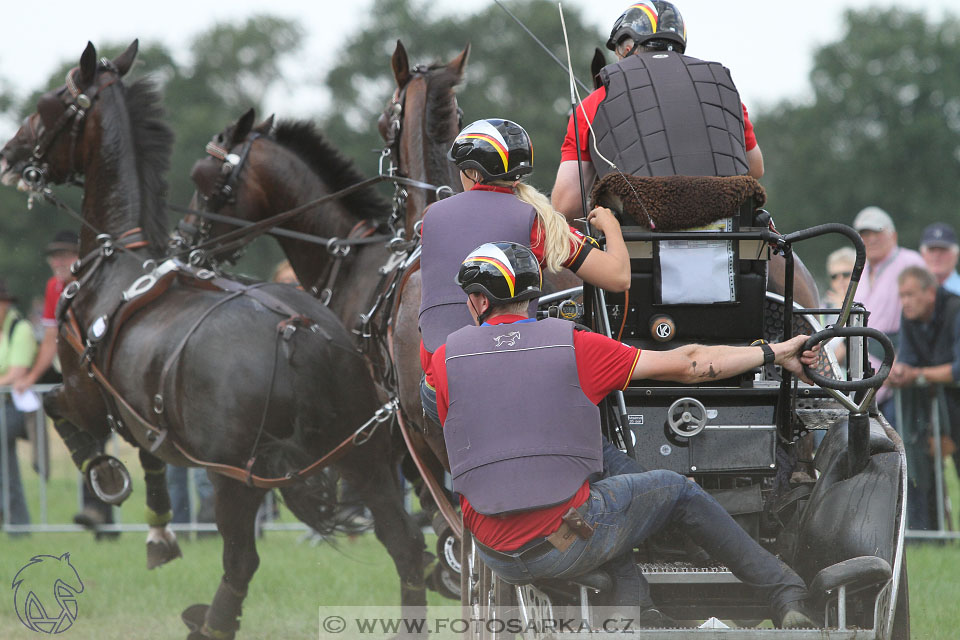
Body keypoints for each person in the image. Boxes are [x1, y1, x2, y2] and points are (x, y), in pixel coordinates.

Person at [431, 241, 818, 628]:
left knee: (594, 460)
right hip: (562, 540)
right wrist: (777, 352)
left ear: (481, 302)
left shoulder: (443, 360)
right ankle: (784, 591)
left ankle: (639, 605)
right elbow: (692, 363)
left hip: (493, 549)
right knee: (674, 489)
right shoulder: (576, 345)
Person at [419, 118, 630, 424]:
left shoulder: (432, 218)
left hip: (436, 387)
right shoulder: (537, 223)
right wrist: (610, 224)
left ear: (474, 172)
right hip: (507, 381)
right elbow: (618, 277)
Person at [551, 1, 763, 220]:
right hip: (726, 233)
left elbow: (567, 204)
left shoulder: (594, 104)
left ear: (626, 50)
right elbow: (755, 168)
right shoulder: (722, 93)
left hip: (638, 239)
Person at [14, 230, 116, 538]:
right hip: (75, 378)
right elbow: (50, 339)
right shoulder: (53, 287)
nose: (58, 261)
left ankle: (99, 510)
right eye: (54, 256)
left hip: (100, 375)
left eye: (65, 255)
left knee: (94, 439)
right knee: (89, 440)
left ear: (79, 258)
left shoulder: (92, 285)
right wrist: (31, 377)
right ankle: (101, 516)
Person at [887, 266, 960, 530]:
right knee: (921, 462)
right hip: (939, 405)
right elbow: (907, 359)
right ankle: (926, 531)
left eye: (909, 295)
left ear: (930, 292)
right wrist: (899, 372)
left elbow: (958, 369)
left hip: (951, 402)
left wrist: (917, 373)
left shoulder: (956, 309)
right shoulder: (910, 316)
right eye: (901, 295)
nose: (904, 302)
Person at [851, 207, 924, 420]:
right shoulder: (860, 269)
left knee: (901, 441)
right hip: (865, 373)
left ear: (893, 235)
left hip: (900, 368)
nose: (871, 239)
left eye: (877, 233)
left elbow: (923, 318)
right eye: (865, 234)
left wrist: (904, 360)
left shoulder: (910, 262)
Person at [0, 279, 38, 529]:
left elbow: (16, 373)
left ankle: (17, 521)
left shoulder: (20, 328)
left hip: (12, 405)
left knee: (6, 463)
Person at [919, 222, 960, 296]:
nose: (937, 255)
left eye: (943, 250)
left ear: (956, 255)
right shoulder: (913, 292)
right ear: (922, 255)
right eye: (931, 250)